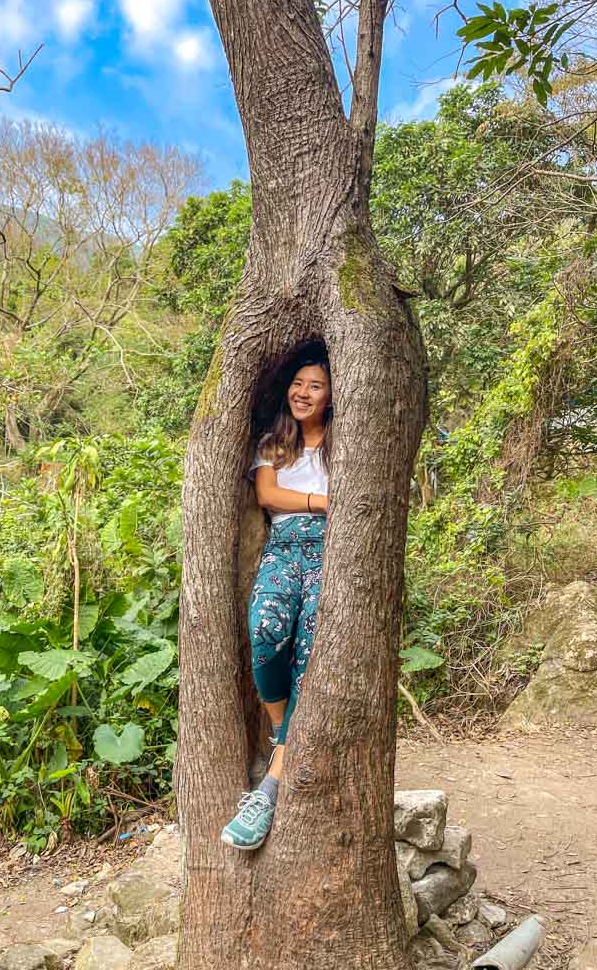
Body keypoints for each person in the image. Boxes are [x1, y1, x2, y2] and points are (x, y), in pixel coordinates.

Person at [221, 353, 332, 850]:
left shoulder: (344, 443)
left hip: (331, 548)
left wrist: (321, 508)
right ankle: (282, 731)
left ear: (332, 396)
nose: (303, 393)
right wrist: (320, 500)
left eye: (316, 386)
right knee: (265, 631)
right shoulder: (274, 444)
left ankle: (271, 783)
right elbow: (268, 496)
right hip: (286, 546)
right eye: (298, 383)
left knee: (311, 654)